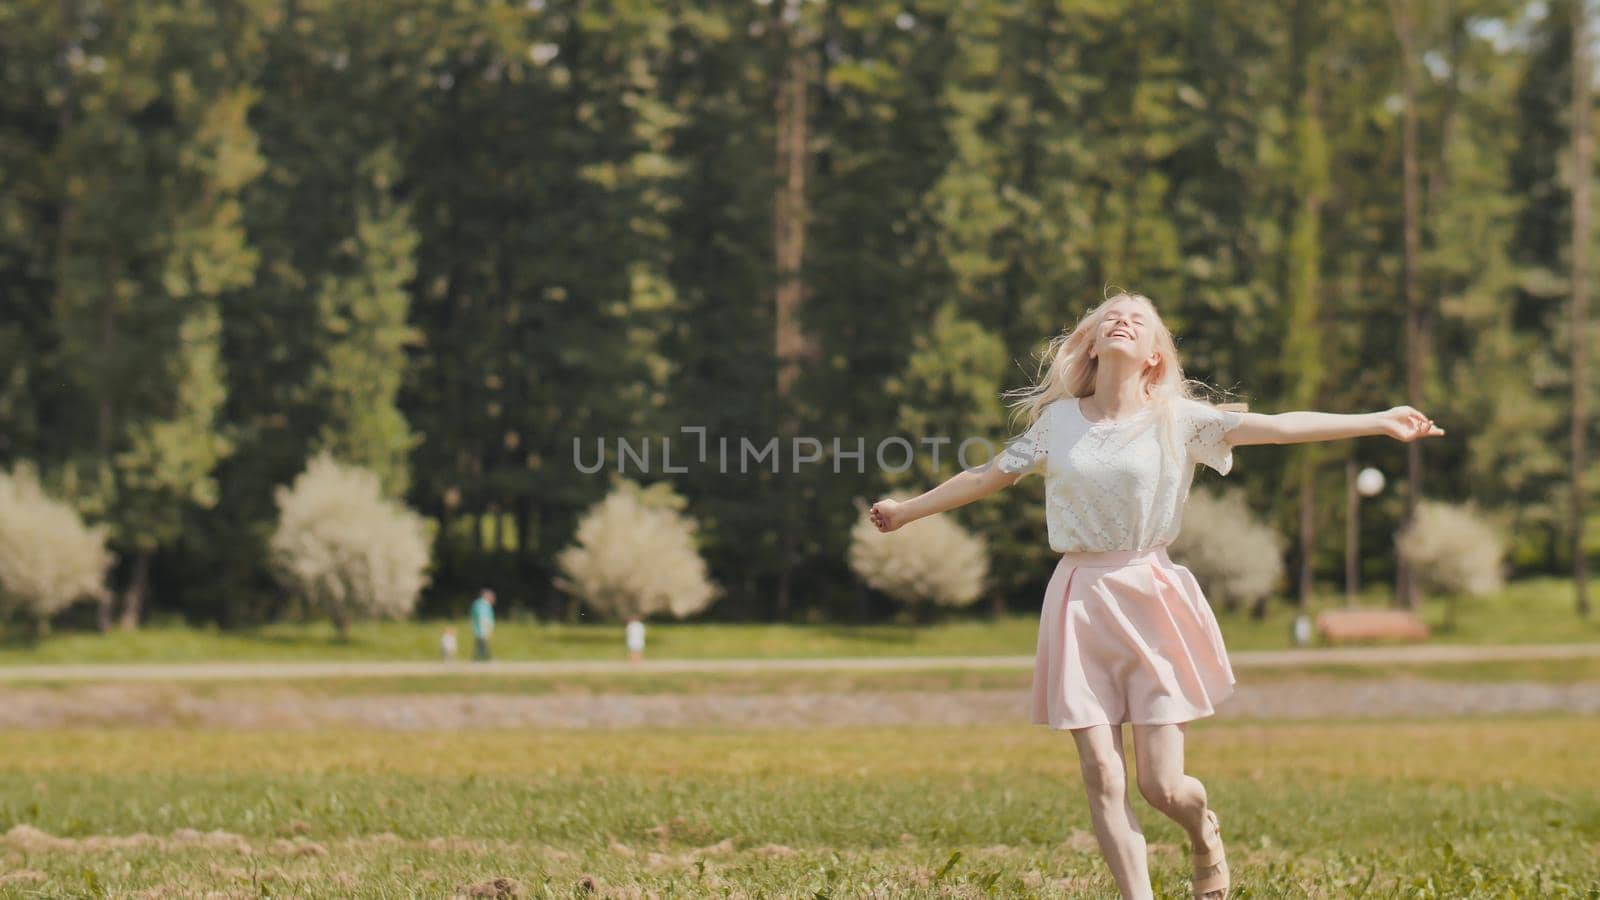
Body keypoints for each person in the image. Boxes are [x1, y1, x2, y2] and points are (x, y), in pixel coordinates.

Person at [866, 292, 1443, 900]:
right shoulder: (1057, 424)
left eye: (1139, 320)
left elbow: (1278, 428)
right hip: (1078, 601)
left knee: (1163, 786)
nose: (1123, 321)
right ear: (1091, 342)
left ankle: (1203, 832)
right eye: (1112, 315)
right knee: (1102, 774)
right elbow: (986, 476)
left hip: (1150, 594)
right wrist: (907, 511)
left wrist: (1378, 419)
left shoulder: (1180, 419)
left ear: (1153, 356)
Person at [470, 589, 495, 662]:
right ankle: (485, 658)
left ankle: (481, 658)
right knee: (482, 643)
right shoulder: (482, 605)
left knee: (481, 644)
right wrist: (486, 629)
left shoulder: (479, 603)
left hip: (480, 628)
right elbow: (483, 618)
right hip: (482, 628)